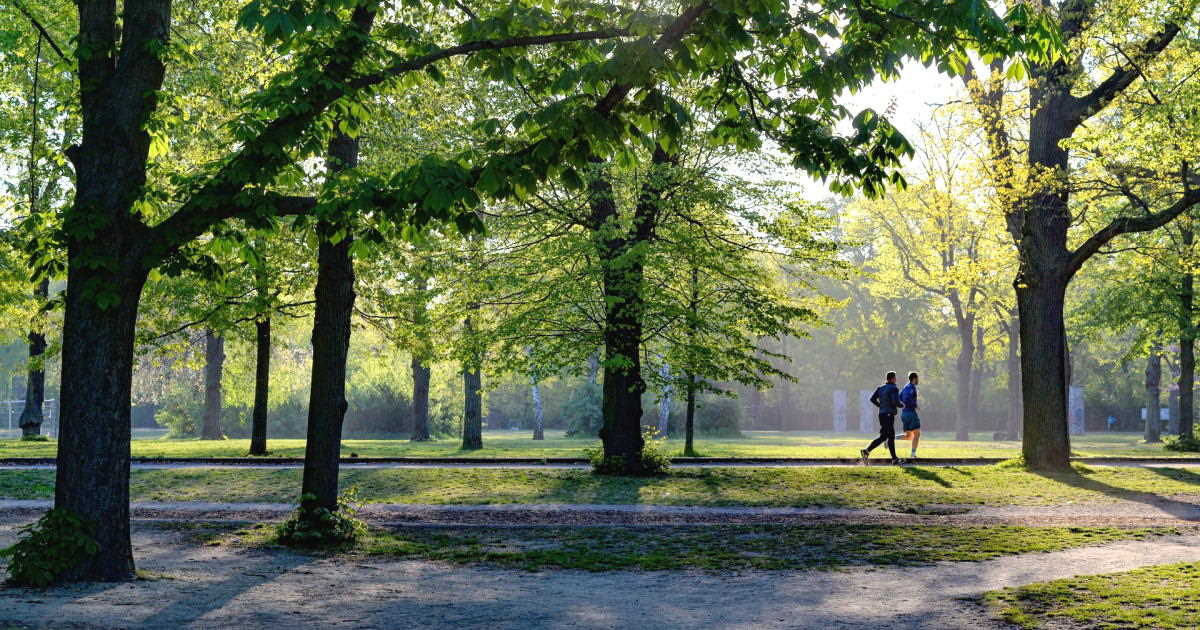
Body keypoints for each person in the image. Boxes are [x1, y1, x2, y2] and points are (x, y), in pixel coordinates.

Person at [861, 371, 902, 465]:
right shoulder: (893, 388)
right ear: (892, 379)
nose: (896, 379)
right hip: (888, 415)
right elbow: (895, 402)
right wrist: (902, 405)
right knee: (890, 436)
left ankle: (866, 452)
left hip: (882, 414)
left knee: (884, 436)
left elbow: (872, 399)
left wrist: (880, 406)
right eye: (895, 378)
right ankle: (894, 459)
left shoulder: (880, 388)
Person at [897, 372, 921, 461]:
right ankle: (913, 454)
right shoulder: (911, 387)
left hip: (904, 414)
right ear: (914, 379)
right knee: (917, 434)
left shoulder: (905, 387)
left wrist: (903, 405)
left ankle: (890, 439)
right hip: (911, 413)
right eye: (917, 378)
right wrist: (914, 405)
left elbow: (899, 397)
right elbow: (907, 398)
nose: (918, 380)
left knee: (909, 436)